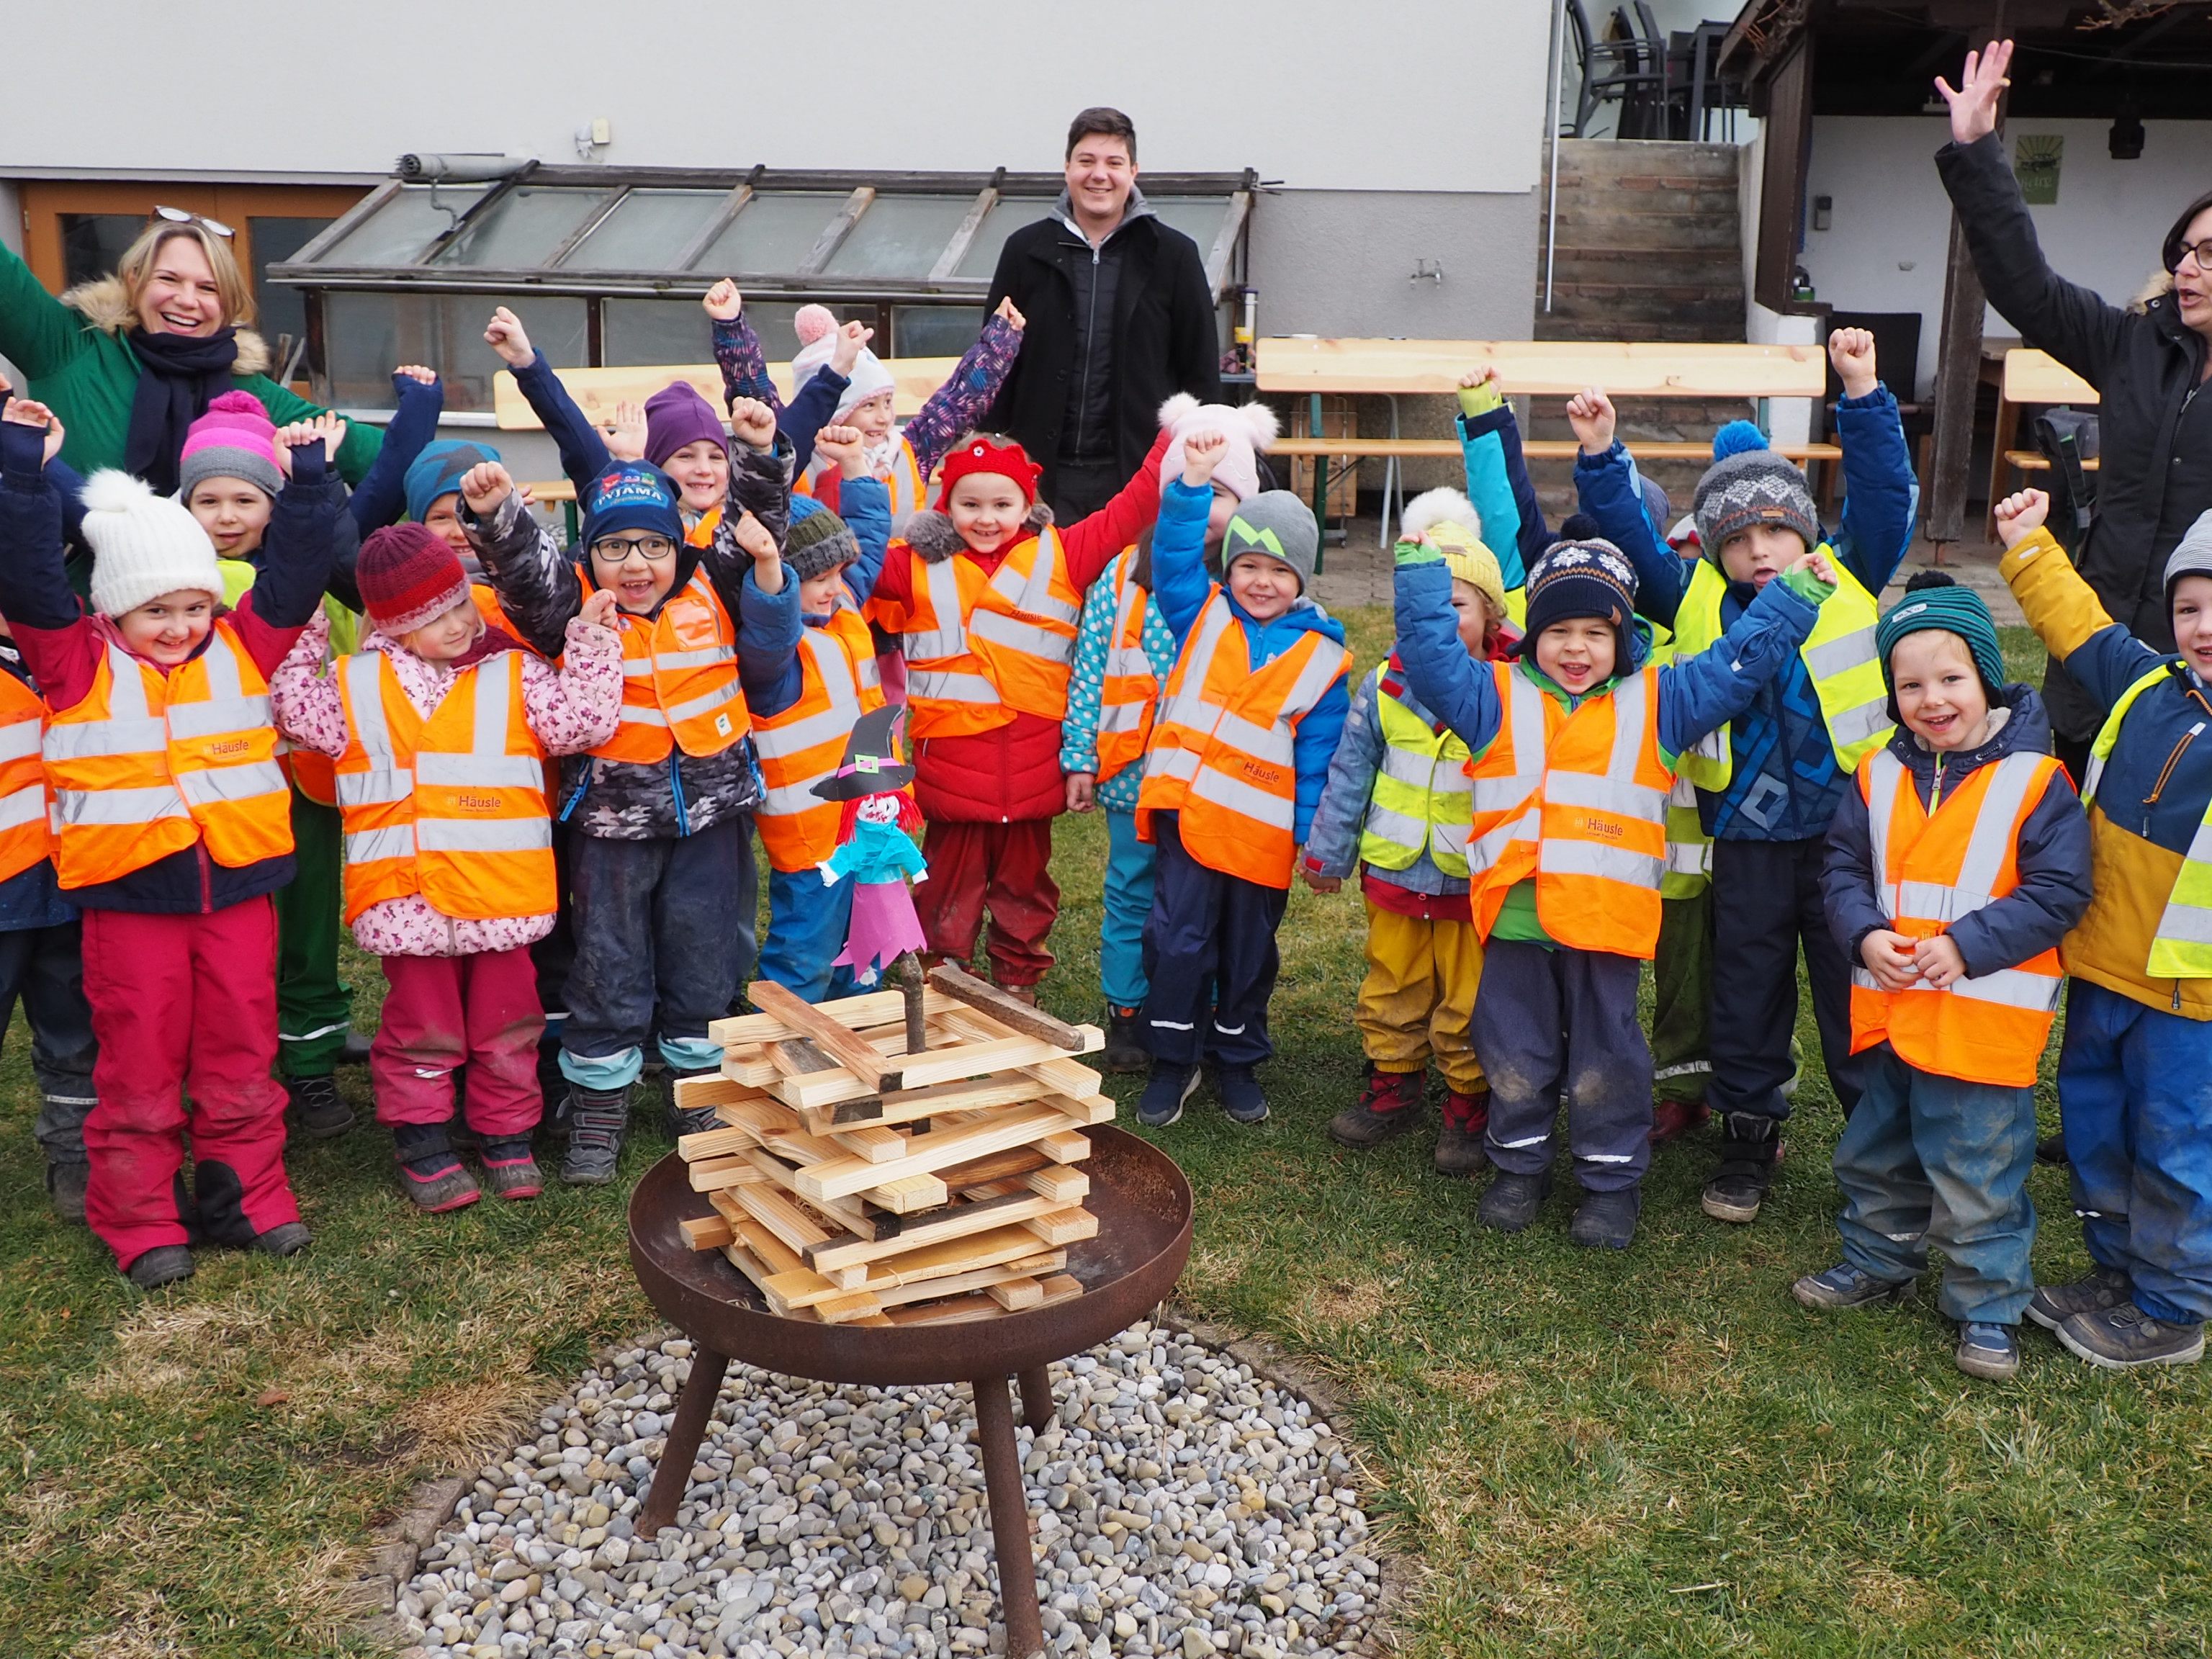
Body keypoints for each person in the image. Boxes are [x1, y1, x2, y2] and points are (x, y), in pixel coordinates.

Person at [1392, 531, 1834, 1249]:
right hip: (1515, 925)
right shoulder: (1492, 698)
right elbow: (1435, 662)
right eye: (1558, 631)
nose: (1575, 649)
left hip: (1607, 928)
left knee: (1607, 1061)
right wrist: (1417, 578)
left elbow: (1737, 665)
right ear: (1529, 635)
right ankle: (1519, 1165)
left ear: (1623, 639)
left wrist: (1792, 598)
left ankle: (1609, 1180)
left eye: (1596, 633)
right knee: (1512, 1052)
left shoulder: (1659, 702)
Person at [1570, 328, 1918, 1226]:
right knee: (1748, 989)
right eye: (1742, 535)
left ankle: (1877, 1140)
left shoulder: (1846, 573)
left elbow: (1884, 499)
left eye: (1778, 529)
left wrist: (1864, 394)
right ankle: (1748, 1135)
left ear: (1805, 532)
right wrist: (1605, 457)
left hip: (1850, 837)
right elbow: (1627, 536)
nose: (1763, 549)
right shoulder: (1686, 596)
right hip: (1747, 839)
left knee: (1854, 991)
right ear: (1714, 545)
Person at [0, 397, 341, 1288]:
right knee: (141, 1062)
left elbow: (297, 576)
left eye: (195, 604)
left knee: (241, 1049)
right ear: (112, 609)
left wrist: (310, 486)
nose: (183, 624)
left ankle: (247, 1194)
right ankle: (142, 1214)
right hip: (130, 905)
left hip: (237, 893)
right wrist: (20, 468)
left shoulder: (245, 648)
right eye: (158, 609)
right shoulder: (73, 662)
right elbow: (31, 575)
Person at [456, 398, 798, 1184]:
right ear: (590, 556)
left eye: (653, 545)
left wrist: (756, 448)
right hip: (612, 826)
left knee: (707, 957)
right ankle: (601, 1100)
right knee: (608, 964)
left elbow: (755, 517)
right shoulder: (573, 606)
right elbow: (524, 574)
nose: (636, 564)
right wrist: (496, 514)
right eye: (614, 547)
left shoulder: (715, 586)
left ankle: (698, 1090)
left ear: (680, 548)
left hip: (711, 814)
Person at [270, 523, 622, 1210]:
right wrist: (306, 629)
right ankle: (423, 1140)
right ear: (394, 629)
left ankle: (506, 1135)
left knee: (508, 1025)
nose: (460, 623)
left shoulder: (516, 673)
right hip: (406, 902)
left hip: (504, 898)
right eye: (432, 619)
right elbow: (285, 703)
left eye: (461, 601)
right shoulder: (351, 686)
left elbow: (584, 722)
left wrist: (588, 642)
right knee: (418, 1031)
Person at [1799, 572, 2090, 1381]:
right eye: (1910, 683)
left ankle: (1987, 1304)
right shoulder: (1876, 775)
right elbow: (1843, 869)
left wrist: (1968, 945)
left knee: (1979, 1172)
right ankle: (1878, 1260)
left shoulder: (2038, 782)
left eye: (1951, 678)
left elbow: (2060, 892)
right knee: (1875, 1153)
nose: (1931, 698)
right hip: (1893, 1018)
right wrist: (1862, 934)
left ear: (1987, 677)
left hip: (1979, 1031)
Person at [1936, 40, 2212, 781]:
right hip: (2095, 643)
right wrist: (1977, 150)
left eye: (2209, 254)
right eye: (2184, 251)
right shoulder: (2134, 345)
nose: (2186, 268)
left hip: (2200, 653)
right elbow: (2027, 288)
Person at [182, 373, 444, 1141]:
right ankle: (235, 1063)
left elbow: (388, 482)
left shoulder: (311, 566)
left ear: (274, 502)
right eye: (209, 500)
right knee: (233, 933)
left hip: (313, 778)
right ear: (185, 505)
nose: (228, 517)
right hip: (219, 787)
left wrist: (418, 406)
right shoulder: (172, 580)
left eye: (245, 499)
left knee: (308, 923)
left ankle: (310, 1055)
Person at [1994, 487, 2212, 1369]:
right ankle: (2117, 1269)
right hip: (2103, 971)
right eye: (2190, 606)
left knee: (2175, 1144)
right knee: (2094, 1126)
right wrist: (2027, 547)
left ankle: (2173, 1303)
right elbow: (2081, 630)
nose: (2203, 625)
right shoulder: (2150, 685)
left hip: (2190, 1002)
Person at [864, 428, 1169, 1002]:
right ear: (944, 507)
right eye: (969, 504)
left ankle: (1017, 979)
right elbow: (852, 560)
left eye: (1002, 504)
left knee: (1026, 887)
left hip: (1032, 770)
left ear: (1029, 507)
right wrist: (857, 473)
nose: (986, 518)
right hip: (951, 768)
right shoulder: (912, 567)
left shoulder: (1065, 553)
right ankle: (939, 972)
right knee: (945, 884)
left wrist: (1170, 438)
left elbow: (1131, 510)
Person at [1061, 393, 1278, 1070]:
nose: (1206, 505)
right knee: (1131, 889)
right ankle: (1126, 1007)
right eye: (1192, 486)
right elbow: (1090, 672)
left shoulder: (1251, 589)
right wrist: (1080, 759)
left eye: (1220, 491)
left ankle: (1197, 1004)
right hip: (1131, 774)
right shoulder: (1121, 578)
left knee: (1201, 900)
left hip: (1210, 784)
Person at [1133, 451, 1350, 1128]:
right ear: (1226, 568)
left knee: (1247, 956)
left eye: (1279, 570)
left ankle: (1237, 1061)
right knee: (1177, 944)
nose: (1261, 582)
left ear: (1302, 578)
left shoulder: (1322, 659)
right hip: (1189, 822)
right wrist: (1192, 489)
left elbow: (1320, 760)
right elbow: (1170, 556)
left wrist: (1314, 841)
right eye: (1248, 566)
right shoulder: (1198, 612)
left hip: (1259, 839)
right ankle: (1173, 1060)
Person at [1303, 497, 1516, 1173]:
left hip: (1468, 881)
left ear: (1489, 616)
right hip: (1394, 873)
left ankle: (1466, 1097)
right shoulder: (1383, 686)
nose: (1440, 620)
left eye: (1457, 605)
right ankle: (1394, 1080)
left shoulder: (1507, 691)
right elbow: (1351, 772)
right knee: (1392, 982)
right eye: (1428, 606)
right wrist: (1328, 852)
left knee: (1467, 995)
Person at [0, 214, 379, 490]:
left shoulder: (247, 390)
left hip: (204, 596)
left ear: (229, 303)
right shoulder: (70, 345)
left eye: (207, 288)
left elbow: (364, 450)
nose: (186, 301)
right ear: (134, 281)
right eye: (168, 280)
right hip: (73, 595)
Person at [984, 107, 1222, 521]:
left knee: (1127, 584)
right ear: (1066, 169)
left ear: (1134, 171)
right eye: (1086, 161)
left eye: (1114, 163)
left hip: (1137, 471)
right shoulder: (1025, 251)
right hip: (1038, 473)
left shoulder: (1173, 255)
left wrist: (1200, 462)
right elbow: (995, 363)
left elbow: (1198, 367)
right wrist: (992, 450)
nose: (1099, 175)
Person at [750, 432, 895, 1001]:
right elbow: (769, 615)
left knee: (867, 945)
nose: (836, 589)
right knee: (804, 951)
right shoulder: (776, 655)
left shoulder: (843, 614)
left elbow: (870, 543)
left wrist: (856, 469)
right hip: (812, 843)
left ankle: (859, 1036)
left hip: (869, 823)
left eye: (839, 575)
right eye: (819, 580)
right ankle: (789, 1041)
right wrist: (768, 567)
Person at [765, 295, 1025, 530]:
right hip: (823, 581)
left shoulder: (909, 449)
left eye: (888, 402)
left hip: (900, 579)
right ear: (832, 410)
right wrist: (731, 325)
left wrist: (1000, 339)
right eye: (868, 405)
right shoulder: (794, 455)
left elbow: (960, 399)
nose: (884, 418)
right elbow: (757, 392)